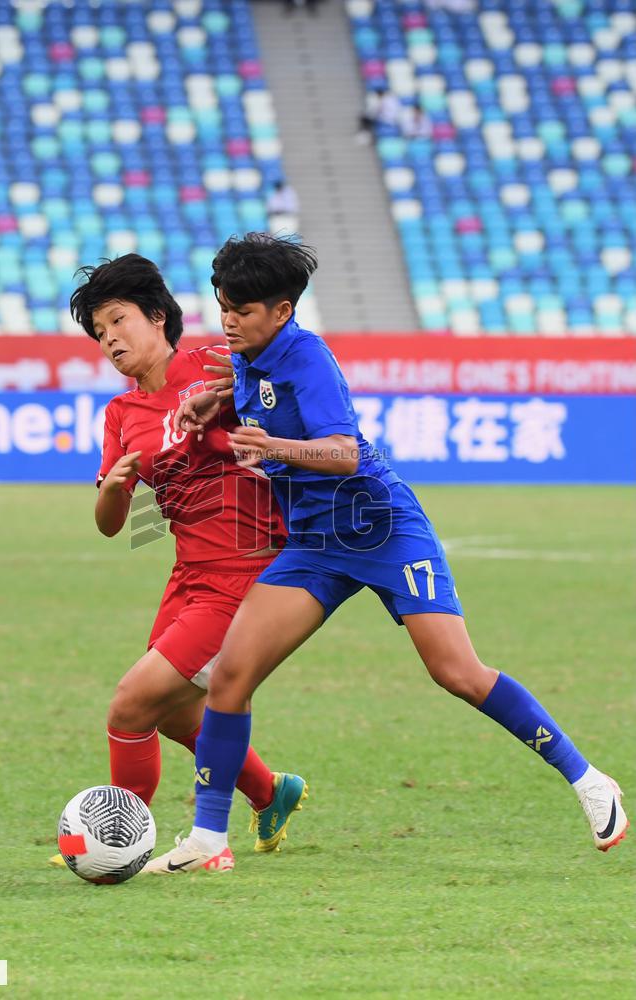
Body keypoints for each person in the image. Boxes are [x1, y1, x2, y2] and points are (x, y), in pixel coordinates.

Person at [144, 233, 628, 873]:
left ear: (283, 311)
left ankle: (590, 780)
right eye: (224, 306)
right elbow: (267, 400)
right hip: (315, 543)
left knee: (456, 672)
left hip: (380, 529)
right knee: (232, 676)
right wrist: (222, 399)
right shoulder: (249, 356)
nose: (229, 321)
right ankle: (208, 840)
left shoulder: (308, 357)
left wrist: (271, 447)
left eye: (243, 310)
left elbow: (342, 451)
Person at [50, 253, 308, 872]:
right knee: (169, 713)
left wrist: (233, 401)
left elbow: (285, 397)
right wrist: (115, 488)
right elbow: (111, 524)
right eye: (99, 332)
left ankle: (118, 838)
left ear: (158, 317)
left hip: (246, 570)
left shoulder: (214, 364)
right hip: (189, 574)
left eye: (119, 320)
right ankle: (270, 793)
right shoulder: (120, 415)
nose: (110, 339)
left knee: (131, 704)